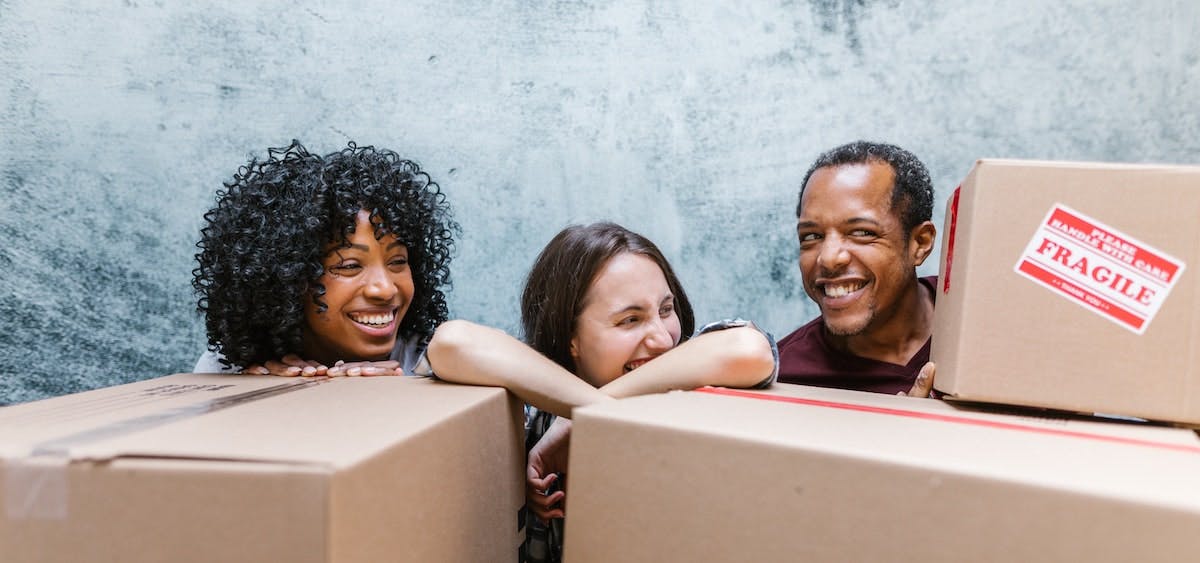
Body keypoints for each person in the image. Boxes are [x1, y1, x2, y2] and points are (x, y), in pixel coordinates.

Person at [424, 222, 777, 563]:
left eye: (666, 310)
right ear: (571, 338)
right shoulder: (534, 419)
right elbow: (452, 344)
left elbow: (751, 350)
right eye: (630, 320)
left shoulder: (695, 378)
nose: (663, 338)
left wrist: (588, 414)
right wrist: (584, 408)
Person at [192, 140, 457, 376]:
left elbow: (464, 344)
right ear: (286, 281)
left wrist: (432, 364)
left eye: (398, 261)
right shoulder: (232, 370)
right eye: (350, 266)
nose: (385, 289)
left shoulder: (428, 360)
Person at [777, 140, 938, 397]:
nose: (828, 259)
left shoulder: (989, 321)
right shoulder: (786, 381)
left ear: (920, 243)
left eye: (862, 232)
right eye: (811, 236)